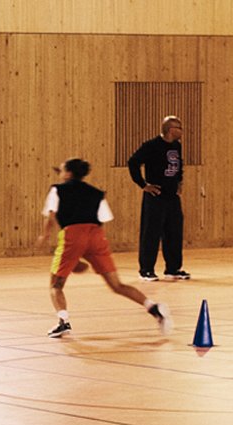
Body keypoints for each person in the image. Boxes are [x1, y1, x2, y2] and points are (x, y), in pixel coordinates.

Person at [38, 158, 171, 338]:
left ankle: (63, 321)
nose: (59, 173)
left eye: (61, 170)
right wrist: (92, 250)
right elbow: (103, 219)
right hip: (96, 236)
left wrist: (45, 236)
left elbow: (51, 214)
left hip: (72, 235)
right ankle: (154, 309)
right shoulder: (97, 193)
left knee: (56, 284)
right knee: (117, 285)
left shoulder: (57, 190)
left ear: (68, 173)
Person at [126, 115, 190, 281]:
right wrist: (143, 184)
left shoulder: (177, 146)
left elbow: (178, 165)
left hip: (172, 196)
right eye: (179, 128)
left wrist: (179, 181)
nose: (182, 131)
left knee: (174, 232)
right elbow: (133, 162)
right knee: (151, 233)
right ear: (170, 130)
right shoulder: (151, 146)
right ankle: (146, 270)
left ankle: (173, 268)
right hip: (155, 196)